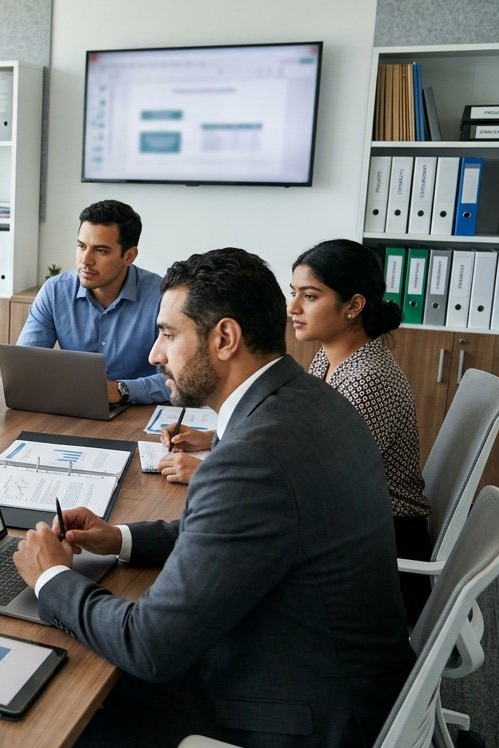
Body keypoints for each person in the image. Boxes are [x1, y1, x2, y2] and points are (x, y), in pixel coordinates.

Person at [13, 248, 413, 748]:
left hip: (295, 734)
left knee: (40, 743)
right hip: (338, 682)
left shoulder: (255, 454)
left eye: (168, 335)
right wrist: (122, 538)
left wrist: (53, 578)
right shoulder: (301, 398)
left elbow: (149, 644)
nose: (155, 355)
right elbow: (232, 532)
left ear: (224, 338)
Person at [160, 239, 433, 621]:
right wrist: (211, 440)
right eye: (293, 294)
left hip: (379, 549)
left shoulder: (368, 378)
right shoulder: (331, 355)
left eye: (310, 296)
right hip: (345, 531)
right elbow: (296, 439)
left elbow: (316, 484)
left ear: (354, 306)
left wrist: (209, 472)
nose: (293, 308)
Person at [16, 199, 169, 405]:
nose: (85, 260)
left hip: (140, 413)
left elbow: (182, 381)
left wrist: (123, 390)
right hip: (75, 407)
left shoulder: (162, 299)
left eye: (101, 251)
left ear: (129, 256)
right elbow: (24, 367)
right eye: (81, 246)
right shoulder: (55, 291)